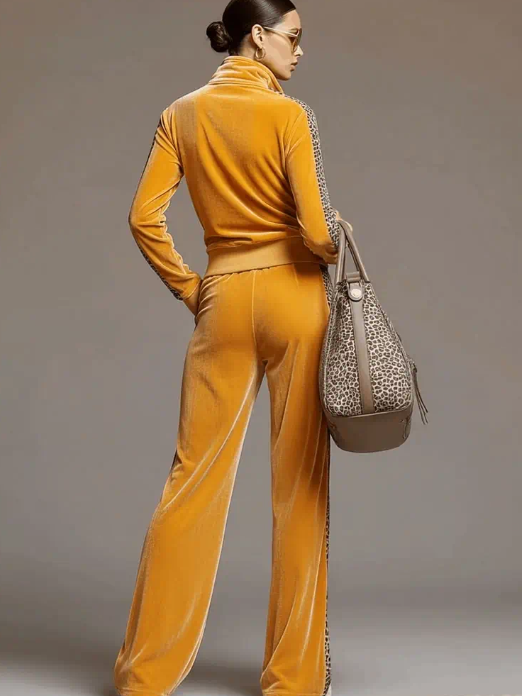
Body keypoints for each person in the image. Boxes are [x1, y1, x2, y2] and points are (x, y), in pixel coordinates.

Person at [113, 1, 345, 695]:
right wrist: (337, 232)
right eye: (293, 38)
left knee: (192, 480)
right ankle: (294, 680)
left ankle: (144, 674)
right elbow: (317, 234)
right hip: (295, 299)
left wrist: (192, 289)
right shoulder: (290, 116)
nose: (299, 51)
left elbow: (143, 217)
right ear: (257, 36)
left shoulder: (180, 114)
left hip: (221, 300)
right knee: (298, 487)